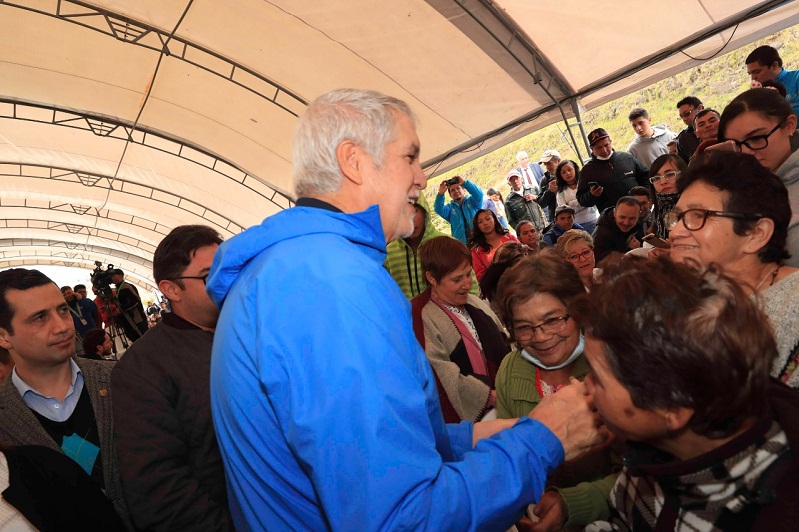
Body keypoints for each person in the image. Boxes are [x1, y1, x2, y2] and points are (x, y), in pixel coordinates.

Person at [207, 88, 605, 530]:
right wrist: (542, 440)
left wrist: (478, 436)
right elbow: (404, 518)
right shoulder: (332, 286)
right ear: (353, 161)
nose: (421, 177)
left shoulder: (291, 270)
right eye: (410, 157)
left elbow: (371, 447)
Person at [574, 258, 799, 530]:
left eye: (597, 378)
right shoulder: (650, 448)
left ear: (672, 406)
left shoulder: (771, 516)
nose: (585, 386)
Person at [112, 225, 232, 531]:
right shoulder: (142, 369)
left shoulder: (255, 335)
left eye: (230, 268)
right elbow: (161, 491)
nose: (228, 281)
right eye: (209, 276)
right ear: (172, 289)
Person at [0, 268, 131, 527]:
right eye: (39, 318)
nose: (62, 326)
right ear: (3, 336)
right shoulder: (3, 420)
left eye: (62, 310)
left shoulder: (123, 379)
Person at [667, 151, 799, 388]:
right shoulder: (684, 301)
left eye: (698, 216)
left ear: (755, 234)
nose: (675, 232)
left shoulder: (794, 304)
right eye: (677, 218)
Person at [493, 249, 613, 493]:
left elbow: (633, 473)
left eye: (552, 320)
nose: (541, 337)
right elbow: (513, 457)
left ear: (578, 311)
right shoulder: (509, 369)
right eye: (524, 327)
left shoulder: (610, 364)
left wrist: (570, 504)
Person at [412, 236, 509, 422]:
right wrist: (489, 396)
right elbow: (440, 374)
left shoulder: (474, 303)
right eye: (457, 279)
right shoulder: (420, 315)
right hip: (469, 425)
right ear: (432, 278)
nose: (467, 284)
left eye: (468, 274)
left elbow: (505, 342)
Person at [718, 87, 799, 267]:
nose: (746, 152)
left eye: (756, 138)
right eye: (736, 145)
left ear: (789, 125)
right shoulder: (743, 187)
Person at [385, 197, 448, 299]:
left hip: (445, 314)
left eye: (414, 211)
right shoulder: (389, 253)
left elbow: (470, 286)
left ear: (425, 212)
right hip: (406, 314)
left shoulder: (447, 245)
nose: (410, 220)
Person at [577, 128, 650, 215]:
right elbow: (581, 199)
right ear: (592, 149)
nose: (604, 150)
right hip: (613, 217)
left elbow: (646, 176)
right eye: (599, 148)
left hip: (640, 211)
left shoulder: (626, 157)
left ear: (610, 142)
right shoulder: (587, 170)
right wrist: (591, 195)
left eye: (606, 145)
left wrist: (647, 196)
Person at [746, 45, 799, 114]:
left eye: (756, 72)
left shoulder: (796, 78)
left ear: (774, 65)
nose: (753, 78)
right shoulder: (759, 92)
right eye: (750, 74)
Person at [469, 209, 519, 282]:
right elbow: (480, 277)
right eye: (480, 222)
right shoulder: (476, 251)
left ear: (494, 220)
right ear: (477, 226)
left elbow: (523, 255)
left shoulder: (509, 237)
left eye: (488, 219)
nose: (485, 223)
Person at [592, 196, 645, 264]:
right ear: (614, 213)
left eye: (632, 218)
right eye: (622, 217)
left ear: (638, 215)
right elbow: (601, 265)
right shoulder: (601, 236)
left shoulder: (638, 224)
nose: (626, 222)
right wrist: (631, 251)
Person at [434, 175, 484, 244]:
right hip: (462, 245)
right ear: (450, 195)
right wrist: (440, 194)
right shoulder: (449, 209)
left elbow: (479, 195)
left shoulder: (473, 202)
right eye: (452, 190)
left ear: (464, 190)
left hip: (480, 240)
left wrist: (465, 183)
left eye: (458, 188)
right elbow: (438, 209)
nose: (456, 191)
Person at [648, 153, 686, 240]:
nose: (663, 182)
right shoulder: (658, 208)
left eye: (669, 174)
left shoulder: (694, 204)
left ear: (683, 174)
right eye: (656, 178)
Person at [554, 159, 598, 235]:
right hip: (575, 225)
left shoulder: (584, 184)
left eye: (569, 170)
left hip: (592, 219)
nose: (568, 173)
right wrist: (581, 201)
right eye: (563, 172)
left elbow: (590, 201)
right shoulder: (561, 192)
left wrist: (571, 204)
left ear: (575, 169)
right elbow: (564, 211)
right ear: (560, 175)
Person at [110, 269, 148, 342]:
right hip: (127, 320)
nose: (111, 278)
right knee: (134, 339)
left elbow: (135, 301)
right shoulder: (117, 289)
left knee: (143, 338)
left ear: (121, 275)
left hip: (137, 319)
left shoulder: (127, 287)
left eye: (113, 275)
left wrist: (121, 309)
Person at [675, 96, 704, 163]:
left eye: (687, 114)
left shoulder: (718, 126)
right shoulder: (683, 138)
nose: (684, 119)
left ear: (700, 108)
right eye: (681, 116)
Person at [538, 149, 561, 222]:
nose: (547, 167)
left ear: (558, 161)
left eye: (549, 163)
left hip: (578, 215)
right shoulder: (544, 180)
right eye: (545, 164)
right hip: (556, 219)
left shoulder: (571, 173)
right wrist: (549, 191)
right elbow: (541, 204)